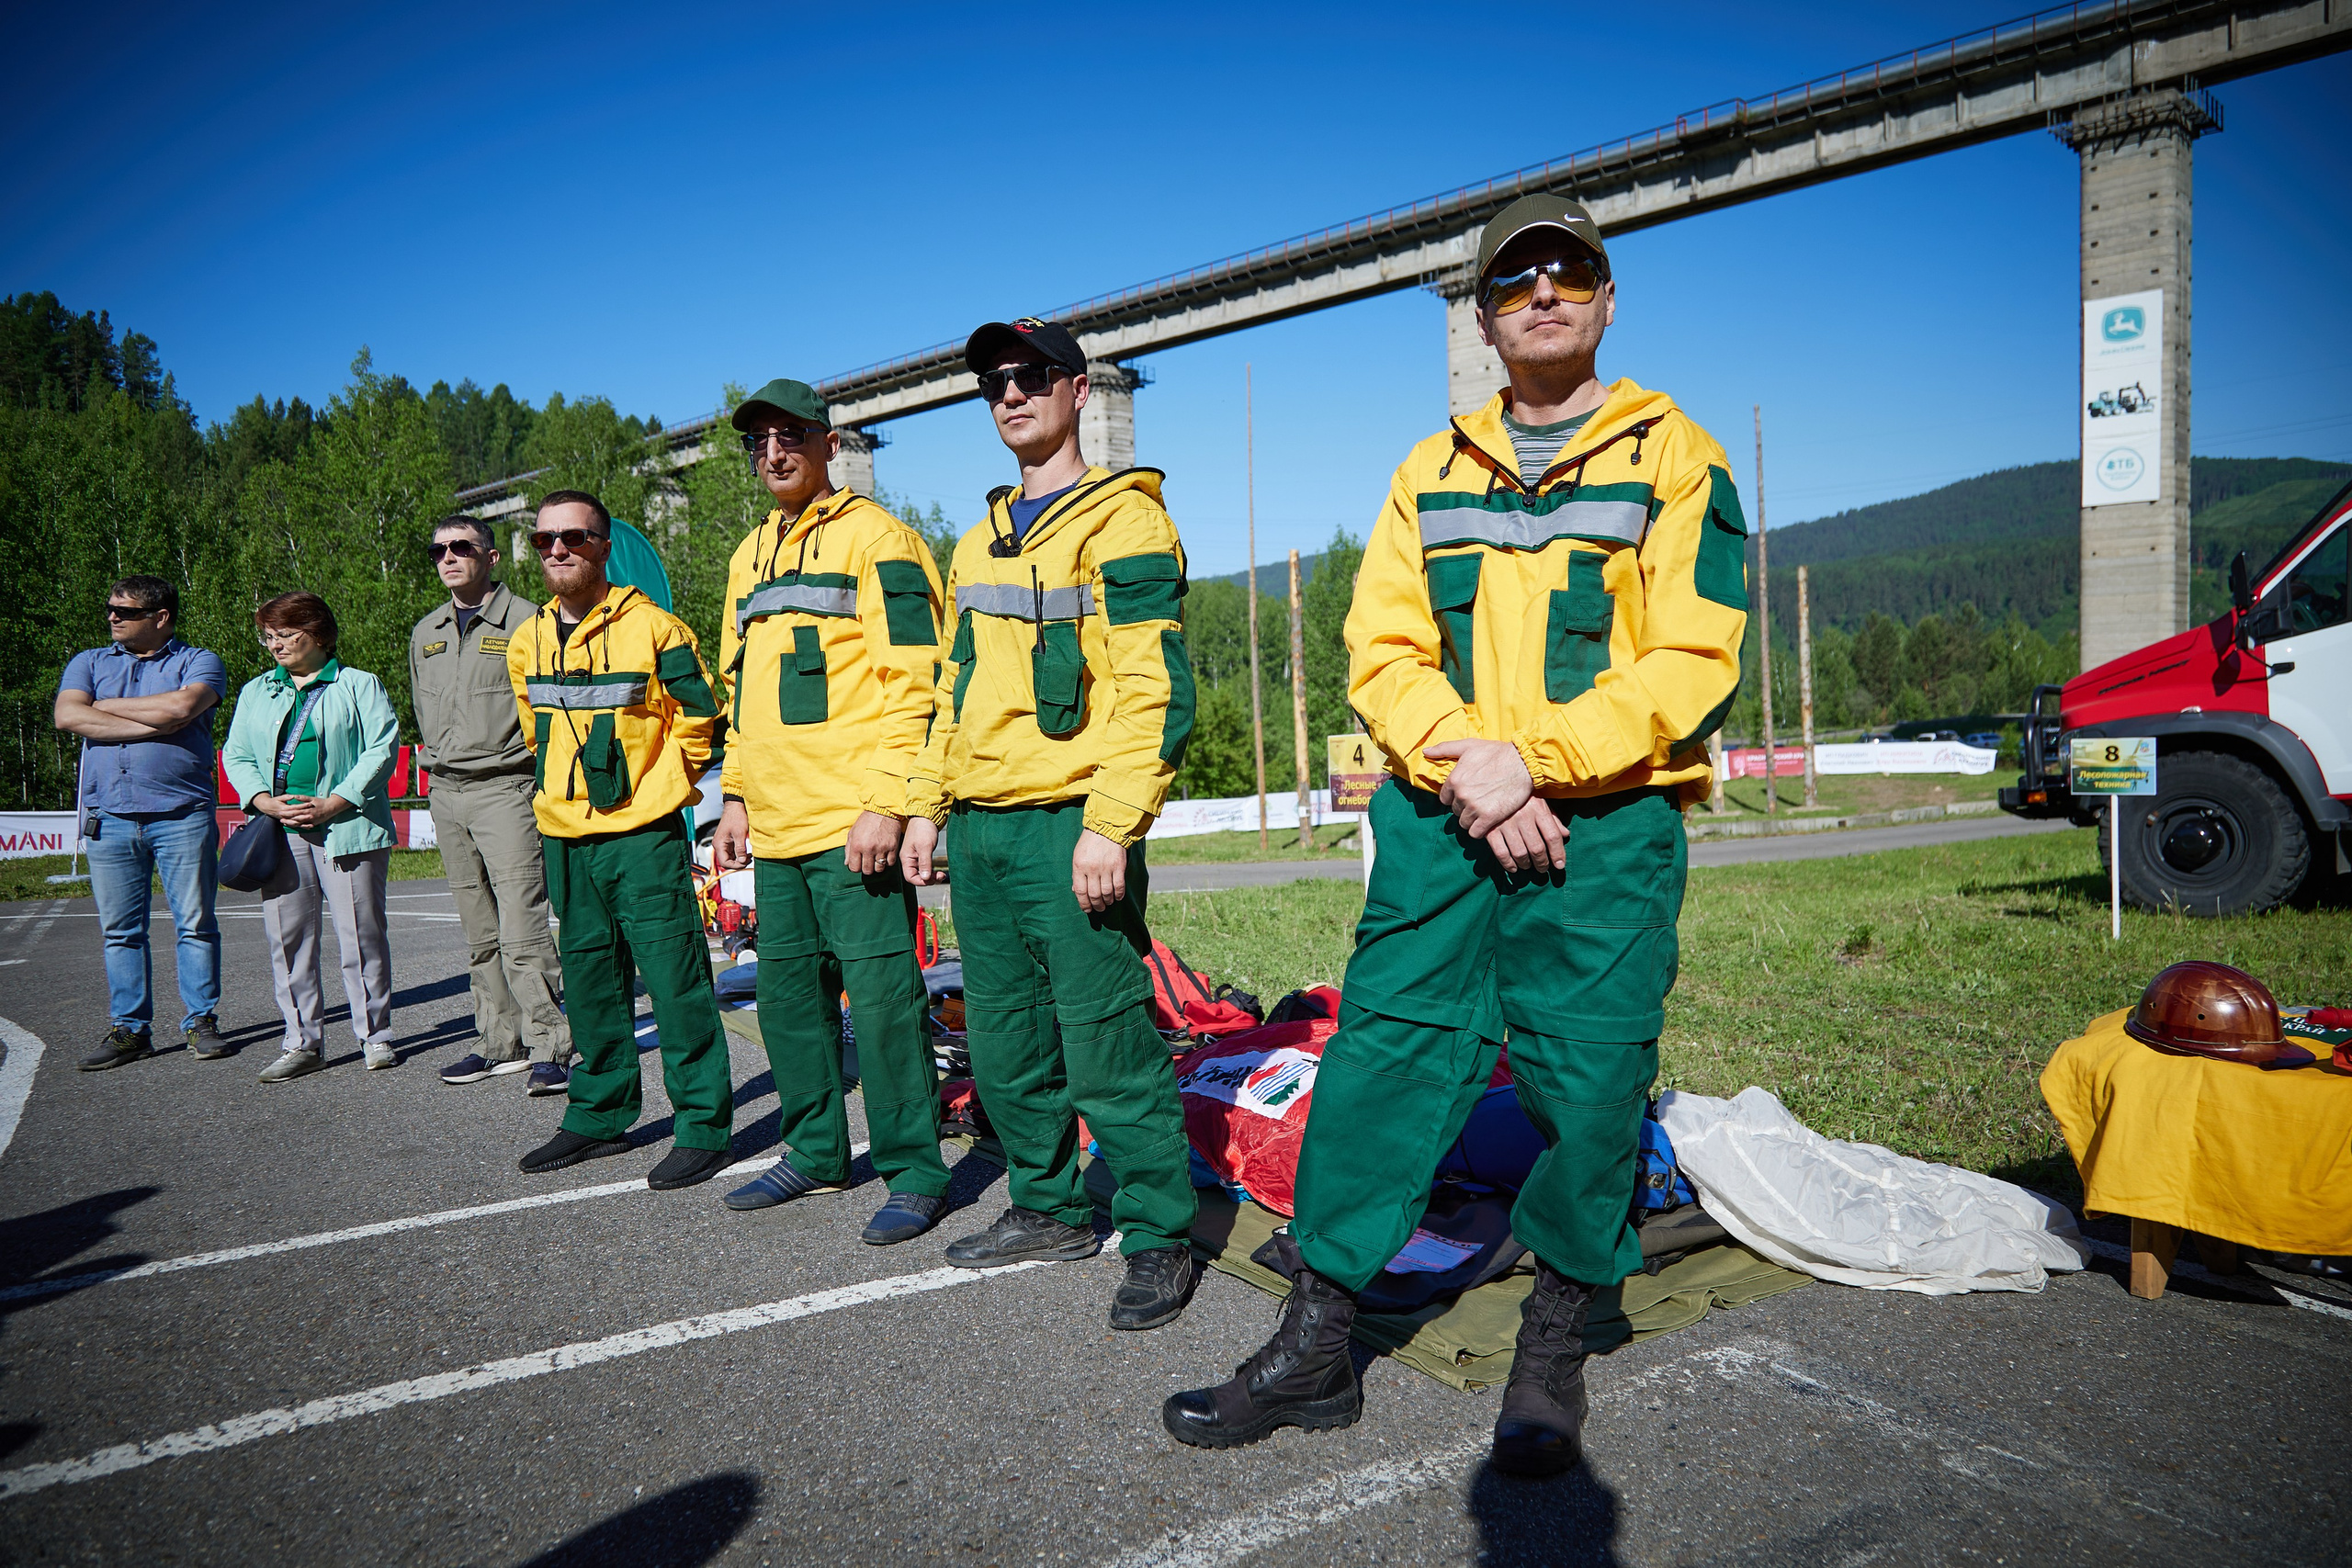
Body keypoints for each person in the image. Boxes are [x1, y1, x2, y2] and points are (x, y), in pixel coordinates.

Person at [1162, 195, 1747, 1473]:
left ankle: (1554, 1344)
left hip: (1606, 829)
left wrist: (1532, 762)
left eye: (1569, 273)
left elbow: (1693, 657)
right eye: (1514, 280)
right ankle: (1319, 1344)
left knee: (1590, 1084)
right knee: (1382, 1065)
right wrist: (1476, 769)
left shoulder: (1675, 457)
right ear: (1482, 318)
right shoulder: (1426, 472)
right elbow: (1381, 648)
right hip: (1441, 819)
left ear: (1605, 300)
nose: (1543, 293)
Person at [902, 317, 1200, 1330]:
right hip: (983, 828)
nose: (1010, 394)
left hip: (1072, 819)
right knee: (1005, 1039)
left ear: (1078, 389)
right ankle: (1048, 1207)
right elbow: (950, 691)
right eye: (993, 381)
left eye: (1031, 375)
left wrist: (1111, 824)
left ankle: (1159, 1233)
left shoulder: (1126, 523)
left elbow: (1155, 689)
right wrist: (926, 805)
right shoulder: (974, 539)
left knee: (1107, 1039)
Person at [708, 379, 953, 1243]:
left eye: (791, 436)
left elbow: (916, 681)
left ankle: (915, 1170)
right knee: (788, 1003)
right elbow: (741, 693)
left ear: (829, 444)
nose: (774, 453)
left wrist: (888, 804)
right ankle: (815, 1152)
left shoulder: (879, 539)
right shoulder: (748, 556)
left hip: (854, 827)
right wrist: (735, 794)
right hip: (776, 827)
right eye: (759, 441)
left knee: (882, 1006)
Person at [507, 490, 736, 1190]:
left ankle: (703, 1128)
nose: (557, 549)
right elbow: (536, 731)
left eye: (574, 537)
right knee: (589, 981)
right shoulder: (526, 640)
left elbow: (704, 716)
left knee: (675, 982)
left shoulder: (656, 628)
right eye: (544, 538)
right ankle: (599, 1113)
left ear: (604, 547)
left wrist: (663, 785)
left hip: (642, 837)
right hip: (565, 835)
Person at [410, 515, 574, 1096]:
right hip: (446, 792)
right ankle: (498, 1041)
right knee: (479, 930)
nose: (448, 558)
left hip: (506, 788)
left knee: (522, 926)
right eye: (438, 551)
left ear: (492, 557)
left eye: (461, 547)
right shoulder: (426, 630)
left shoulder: (531, 620)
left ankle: (551, 1044)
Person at [221, 592, 404, 1082]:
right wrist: (261, 800)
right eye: (268, 636)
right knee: (288, 940)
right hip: (280, 832)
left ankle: (375, 1037)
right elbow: (236, 754)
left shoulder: (359, 685)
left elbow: (382, 749)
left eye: (286, 634)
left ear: (318, 634)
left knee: (361, 936)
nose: (275, 645)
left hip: (348, 827)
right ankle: (301, 1042)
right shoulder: (258, 690)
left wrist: (336, 801)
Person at [52, 577, 231, 1069]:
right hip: (108, 816)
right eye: (110, 608)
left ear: (161, 617)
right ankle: (131, 1030)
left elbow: (182, 707)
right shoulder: (88, 662)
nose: (113, 617)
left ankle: (201, 1022)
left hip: (182, 814)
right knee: (120, 931)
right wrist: (155, 720)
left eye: (126, 611)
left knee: (195, 924)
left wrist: (100, 708)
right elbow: (67, 717)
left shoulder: (199, 661)